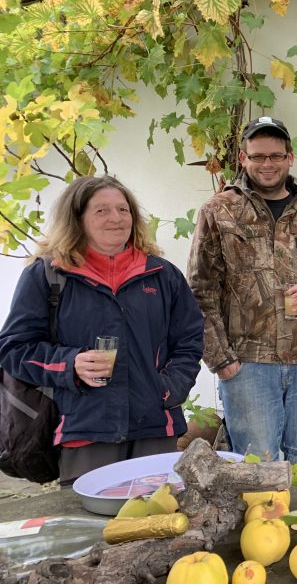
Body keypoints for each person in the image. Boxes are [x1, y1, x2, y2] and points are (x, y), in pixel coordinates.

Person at [0, 176, 204, 485]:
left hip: (154, 427)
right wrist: (70, 364)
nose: (116, 218)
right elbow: (13, 348)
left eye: (123, 209)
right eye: (101, 210)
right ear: (77, 218)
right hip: (84, 428)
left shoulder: (162, 275)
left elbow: (189, 340)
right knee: (93, 527)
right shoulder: (48, 276)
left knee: (159, 522)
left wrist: (168, 388)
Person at [188, 116, 297, 465]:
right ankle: (263, 522)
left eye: (275, 156)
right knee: (255, 464)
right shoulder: (219, 212)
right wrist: (221, 361)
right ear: (243, 159)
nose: (267, 164)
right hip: (248, 365)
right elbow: (200, 290)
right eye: (258, 156)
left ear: (290, 158)